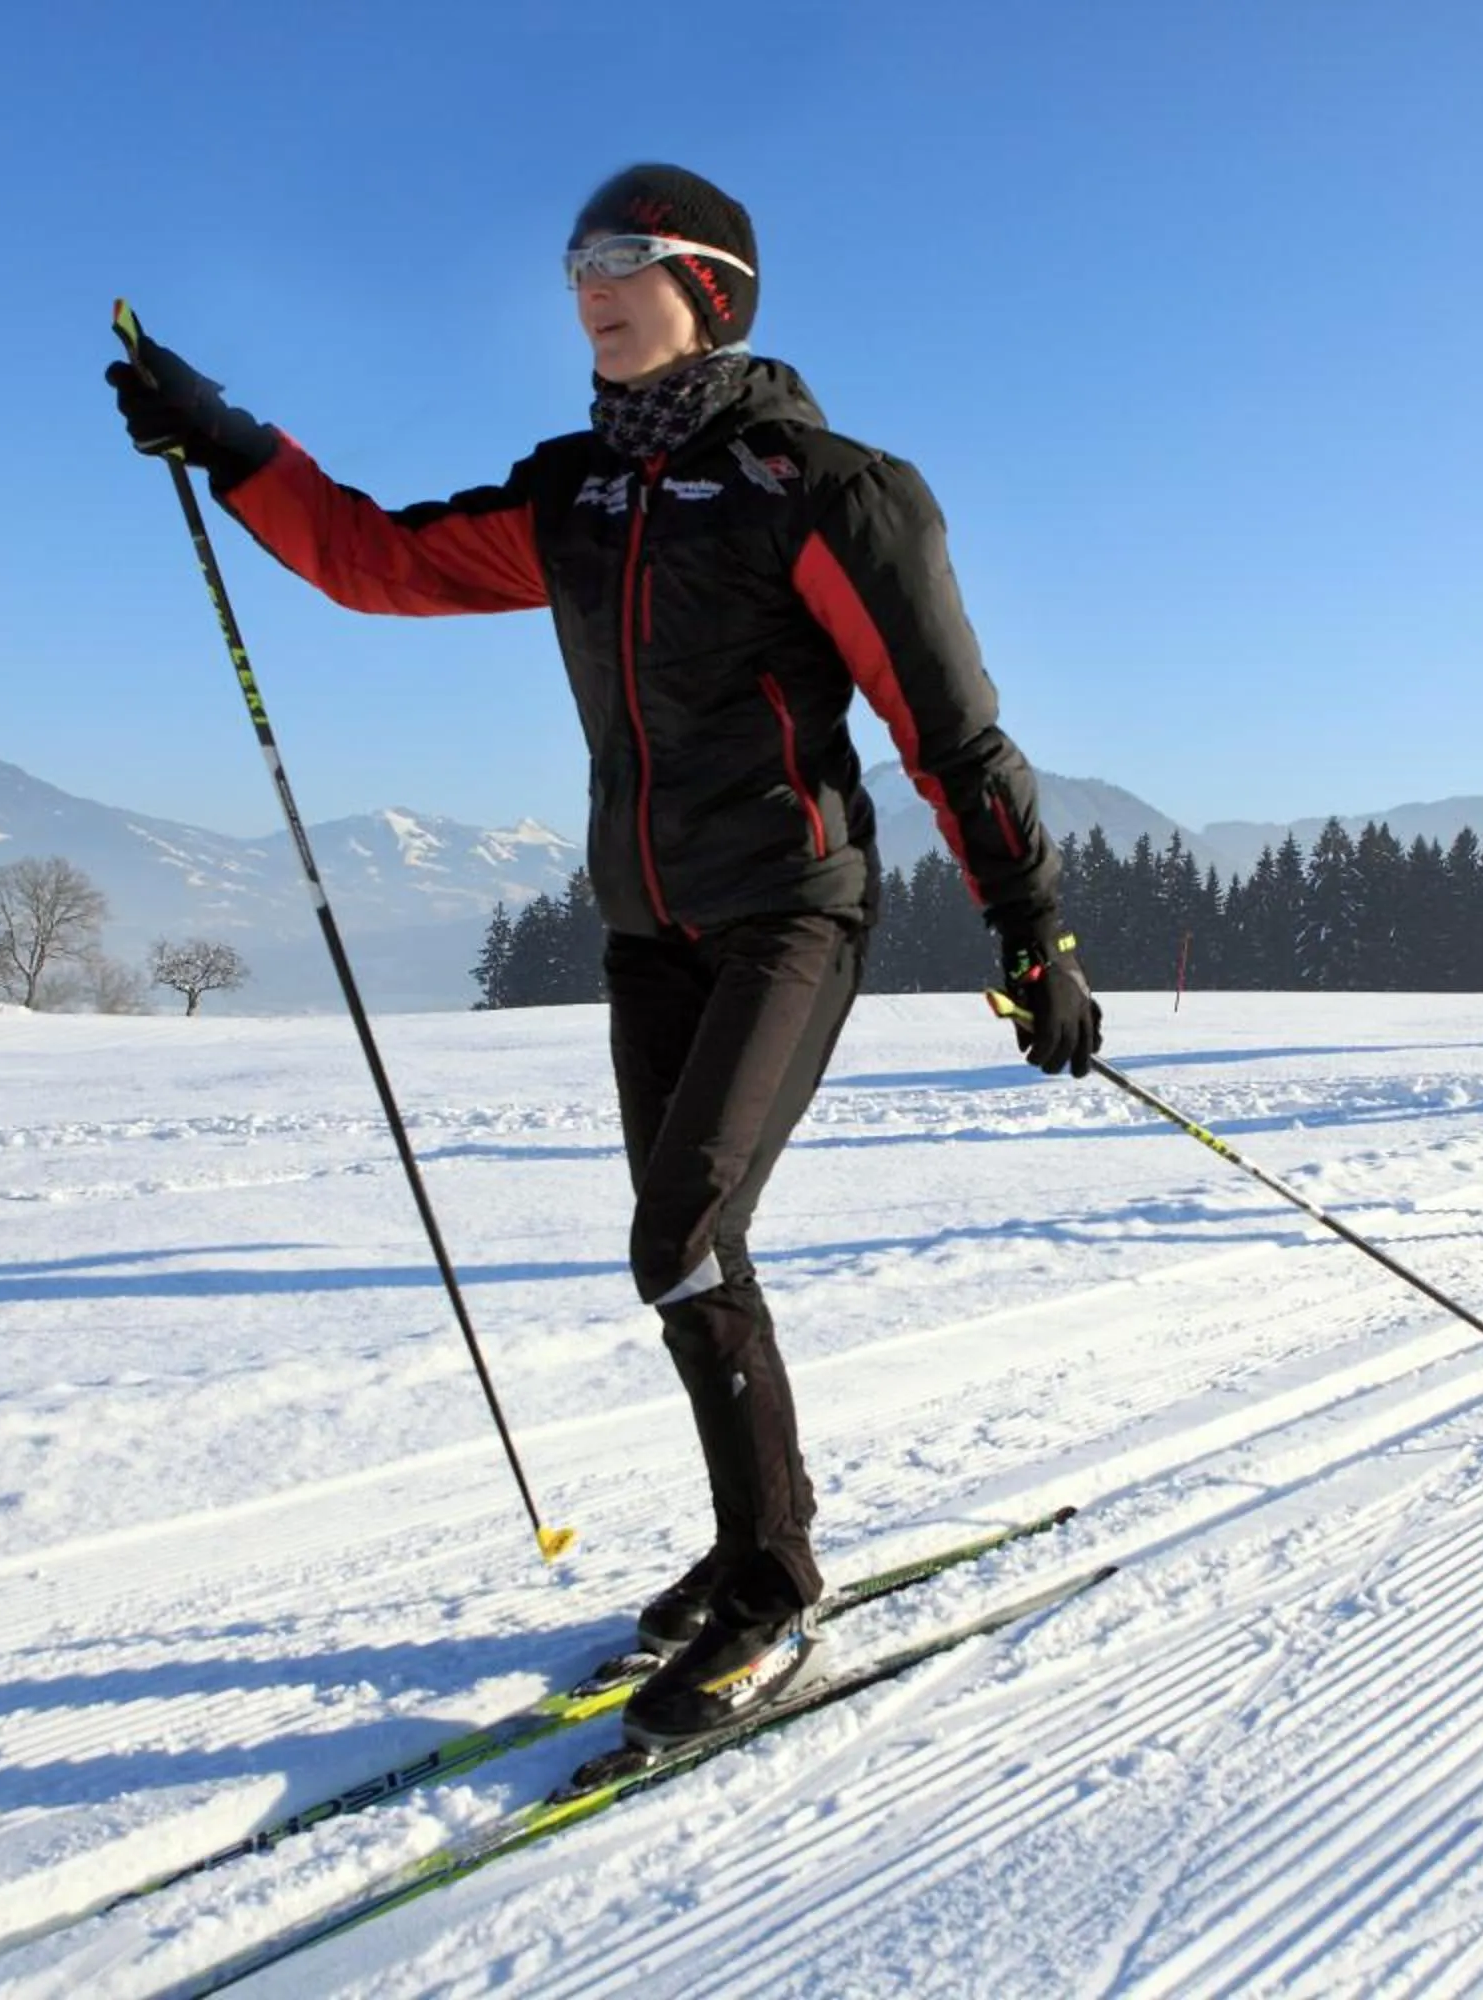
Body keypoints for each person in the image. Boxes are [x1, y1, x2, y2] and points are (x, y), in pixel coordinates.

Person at [105, 163, 1101, 1749]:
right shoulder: (576, 496)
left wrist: (1029, 926)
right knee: (685, 1247)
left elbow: (947, 726)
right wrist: (229, 443)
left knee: (684, 1233)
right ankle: (743, 1538)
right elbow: (381, 561)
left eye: (626, 258)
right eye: (576, 260)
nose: (588, 284)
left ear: (712, 287)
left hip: (792, 905)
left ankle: (775, 1586)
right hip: (646, 928)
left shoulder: (820, 488)